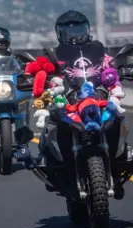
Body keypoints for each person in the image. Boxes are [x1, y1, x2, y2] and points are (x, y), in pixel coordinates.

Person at [36, 10, 131, 197]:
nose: (74, 35)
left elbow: (110, 66)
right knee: (53, 121)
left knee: (118, 117)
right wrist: (41, 77)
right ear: (60, 33)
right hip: (69, 100)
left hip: (98, 97)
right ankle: (55, 162)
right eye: (69, 31)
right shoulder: (56, 55)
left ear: (87, 29)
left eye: (78, 30)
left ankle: (121, 158)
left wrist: (120, 70)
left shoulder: (98, 50)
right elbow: (44, 70)